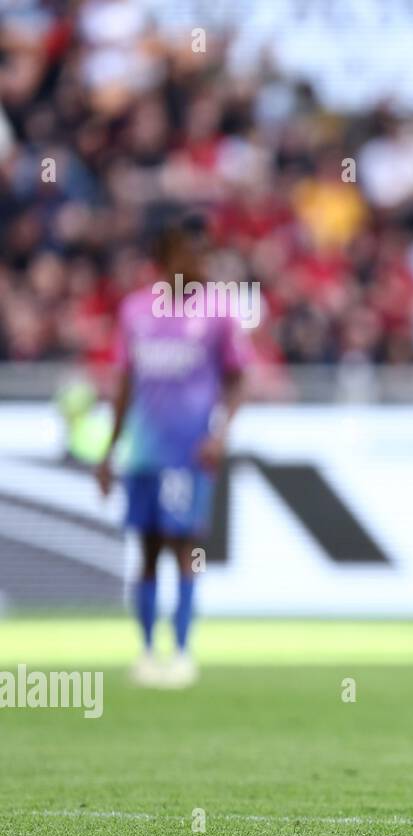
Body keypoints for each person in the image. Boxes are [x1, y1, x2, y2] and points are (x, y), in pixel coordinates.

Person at [96, 221, 250, 688]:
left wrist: (220, 434)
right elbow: (125, 384)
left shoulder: (218, 312)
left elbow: (239, 379)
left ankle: (182, 652)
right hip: (144, 451)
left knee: (185, 547)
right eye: (187, 254)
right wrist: (109, 450)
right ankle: (146, 651)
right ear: (164, 260)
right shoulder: (136, 311)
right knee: (145, 548)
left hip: (188, 452)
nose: (197, 263)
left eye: (200, 254)